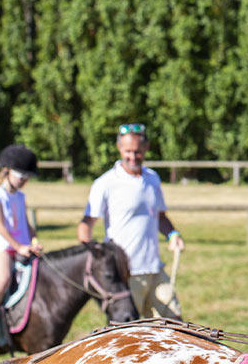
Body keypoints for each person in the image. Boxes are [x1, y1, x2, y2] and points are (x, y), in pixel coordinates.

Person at [76, 123, 184, 319]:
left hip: (154, 270)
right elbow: (86, 224)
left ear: (146, 148)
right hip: (125, 276)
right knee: (129, 335)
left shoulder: (153, 179)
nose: (133, 157)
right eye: (128, 151)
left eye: (137, 152)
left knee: (176, 327)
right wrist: (92, 256)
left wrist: (173, 234)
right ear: (119, 148)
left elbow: (159, 216)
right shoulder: (105, 183)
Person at [0, 144, 43, 342]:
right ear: (7, 171)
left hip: (22, 246)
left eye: (27, 177)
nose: (24, 180)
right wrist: (18, 247)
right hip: (2, 247)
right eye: (20, 175)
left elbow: (26, 223)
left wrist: (34, 240)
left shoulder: (20, 197)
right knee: (4, 277)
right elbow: (0, 226)